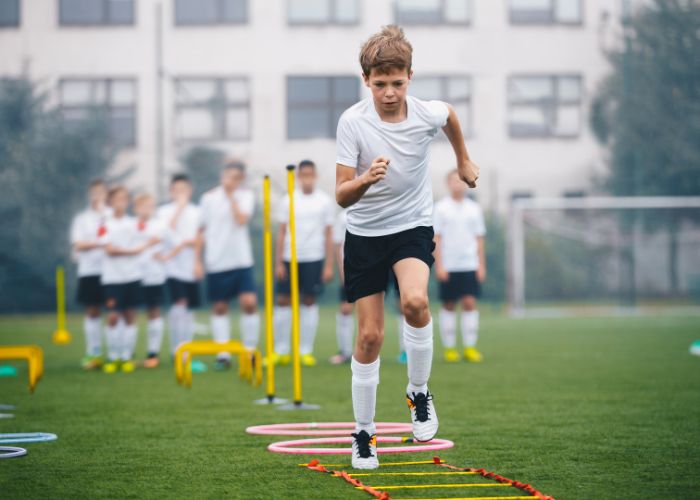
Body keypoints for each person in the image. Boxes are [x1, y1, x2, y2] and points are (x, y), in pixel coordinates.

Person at [335, 25, 479, 469]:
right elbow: (341, 195)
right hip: (363, 235)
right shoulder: (352, 122)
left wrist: (463, 159)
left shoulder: (425, 113)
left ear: (410, 77)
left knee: (416, 302)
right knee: (370, 336)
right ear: (367, 81)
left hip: (412, 226)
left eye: (397, 83)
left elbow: (450, 116)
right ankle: (364, 433)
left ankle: (418, 392)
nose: (390, 93)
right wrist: (365, 179)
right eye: (380, 85)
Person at [195, 160, 259, 370]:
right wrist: (197, 260)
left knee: (249, 303)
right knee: (220, 307)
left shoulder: (246, 196)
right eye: (226, 175)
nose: (228, 180)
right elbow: (200, 230)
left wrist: (231, 196)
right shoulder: (208, 198)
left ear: (240, 179)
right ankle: (223, 355)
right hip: (216, 260)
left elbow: (241, 220)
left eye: (234, 177)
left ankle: (250, 351)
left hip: (241, 259)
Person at [273, 160, 334, 367]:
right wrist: (278, 262)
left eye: (311, 174)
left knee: (309, 301)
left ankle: (305, 351)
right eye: (304, 175)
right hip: (290, 258)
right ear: (298, 177)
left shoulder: (324, 201)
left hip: (313, 257)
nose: (307, 178)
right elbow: (281, 232)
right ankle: (281, 350)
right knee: (283, 301)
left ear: (315, 176)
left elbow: (328, 234)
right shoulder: (288, 200)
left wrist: (328, 265)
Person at [101, 186, 157, 374]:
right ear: (110, 202)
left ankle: (126, 356)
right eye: (117, 199)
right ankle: (113, 355)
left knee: (130, 316)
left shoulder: (134, 223)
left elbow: (151, 237)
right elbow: (109, 248)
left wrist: (147, 244)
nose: (121, 203)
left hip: (132, 276)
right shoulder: (105, 223)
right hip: (112, 277)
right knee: (113, 316)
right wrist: (133, 251)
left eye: (124, 199)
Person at [434, 170, 487, 363]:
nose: (457, 184)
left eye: (460, 181)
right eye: (453, 181)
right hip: (449, 265)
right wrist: (439, 265)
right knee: (448, 304)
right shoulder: (440, 208)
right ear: (447, 184)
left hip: (469, 264)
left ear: (466, 183)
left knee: (469, 303)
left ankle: (470, 347)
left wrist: (481, 265)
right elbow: (436, 238)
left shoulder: (474, 209)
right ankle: (449, 348)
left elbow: (479, 238)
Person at [158, 174, 202, 361]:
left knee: (190, 308)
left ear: (190, 191)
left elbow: (199, 238)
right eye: (177, 190)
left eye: (184, 189)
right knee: (179, 303)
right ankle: (176, 348)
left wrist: (197, 261)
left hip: (190, 266)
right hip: (171, 267)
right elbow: (166, 231)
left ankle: (187, 348)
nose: (181, 193)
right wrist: (179, 208)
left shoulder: (198, 211)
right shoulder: (164, 211)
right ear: (171, 192)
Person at [70, 179, 110, 370]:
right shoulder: (82, 218)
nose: (97, 197)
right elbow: (78, 244)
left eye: (101, 193)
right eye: (94, 193)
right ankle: (93, 352)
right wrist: (98, 243)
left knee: (114, 312)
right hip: (89, 271)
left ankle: (117, 353)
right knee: (92, 312)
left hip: (112, 271)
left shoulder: (112, 216)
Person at [133, 193, 167, 368]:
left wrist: (164, 255)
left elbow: (171, 242)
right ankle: (127, 354)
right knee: (131, 313)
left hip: (154, 275)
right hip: (132, 275)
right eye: (142, 206)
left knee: (154, 311)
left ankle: (153, 353)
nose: (146, 209)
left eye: (149, 206)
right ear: (136, 208)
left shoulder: (159, 225)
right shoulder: (130, 226)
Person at [329, 209, 354, 365]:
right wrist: (343, 270)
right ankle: (345, 352)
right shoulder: (342, 216)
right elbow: (338, 246)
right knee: (345, 309)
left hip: (372, 269)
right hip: (350, 270)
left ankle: (370, 352)